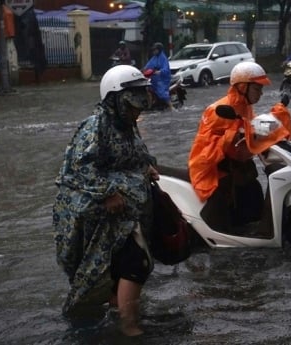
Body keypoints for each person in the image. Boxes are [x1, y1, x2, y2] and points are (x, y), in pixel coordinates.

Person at [53, 64, 159, 337]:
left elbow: (137, 154)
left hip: (125, 213)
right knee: (136, 263)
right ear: (115, 101)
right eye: (132, 105)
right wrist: (108, 193)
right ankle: (129, 327)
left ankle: (119, 310)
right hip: (100, 215)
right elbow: (80, 168)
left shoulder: (128, 126)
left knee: (124, 265)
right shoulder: (95, 127)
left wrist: (147, 167)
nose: (137, 111)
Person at [188, 61, 291, 234]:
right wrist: (229, 137)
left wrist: (277, 115)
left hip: (238, 165)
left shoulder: (245, 107)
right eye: (257, 89)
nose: (260, 93)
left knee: (254, 191)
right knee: (223, 199)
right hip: (216, 169)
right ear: (243, 87)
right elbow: (204, 149)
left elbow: (253, 128)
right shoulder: (217, 111)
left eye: (261, 89)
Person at [143, 42, 173, 111]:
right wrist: (142, 70)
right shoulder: (154, 58)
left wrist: (160, 72)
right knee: (148, 87)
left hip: (163, 78)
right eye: (153, 50)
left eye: (155, 50)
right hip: (154, 77)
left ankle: (171, 107)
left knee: (161, 91)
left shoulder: (163, 58)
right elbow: (148, 65)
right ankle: (150, 105)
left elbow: (166, 68)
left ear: (159, 50)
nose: (154, 51)